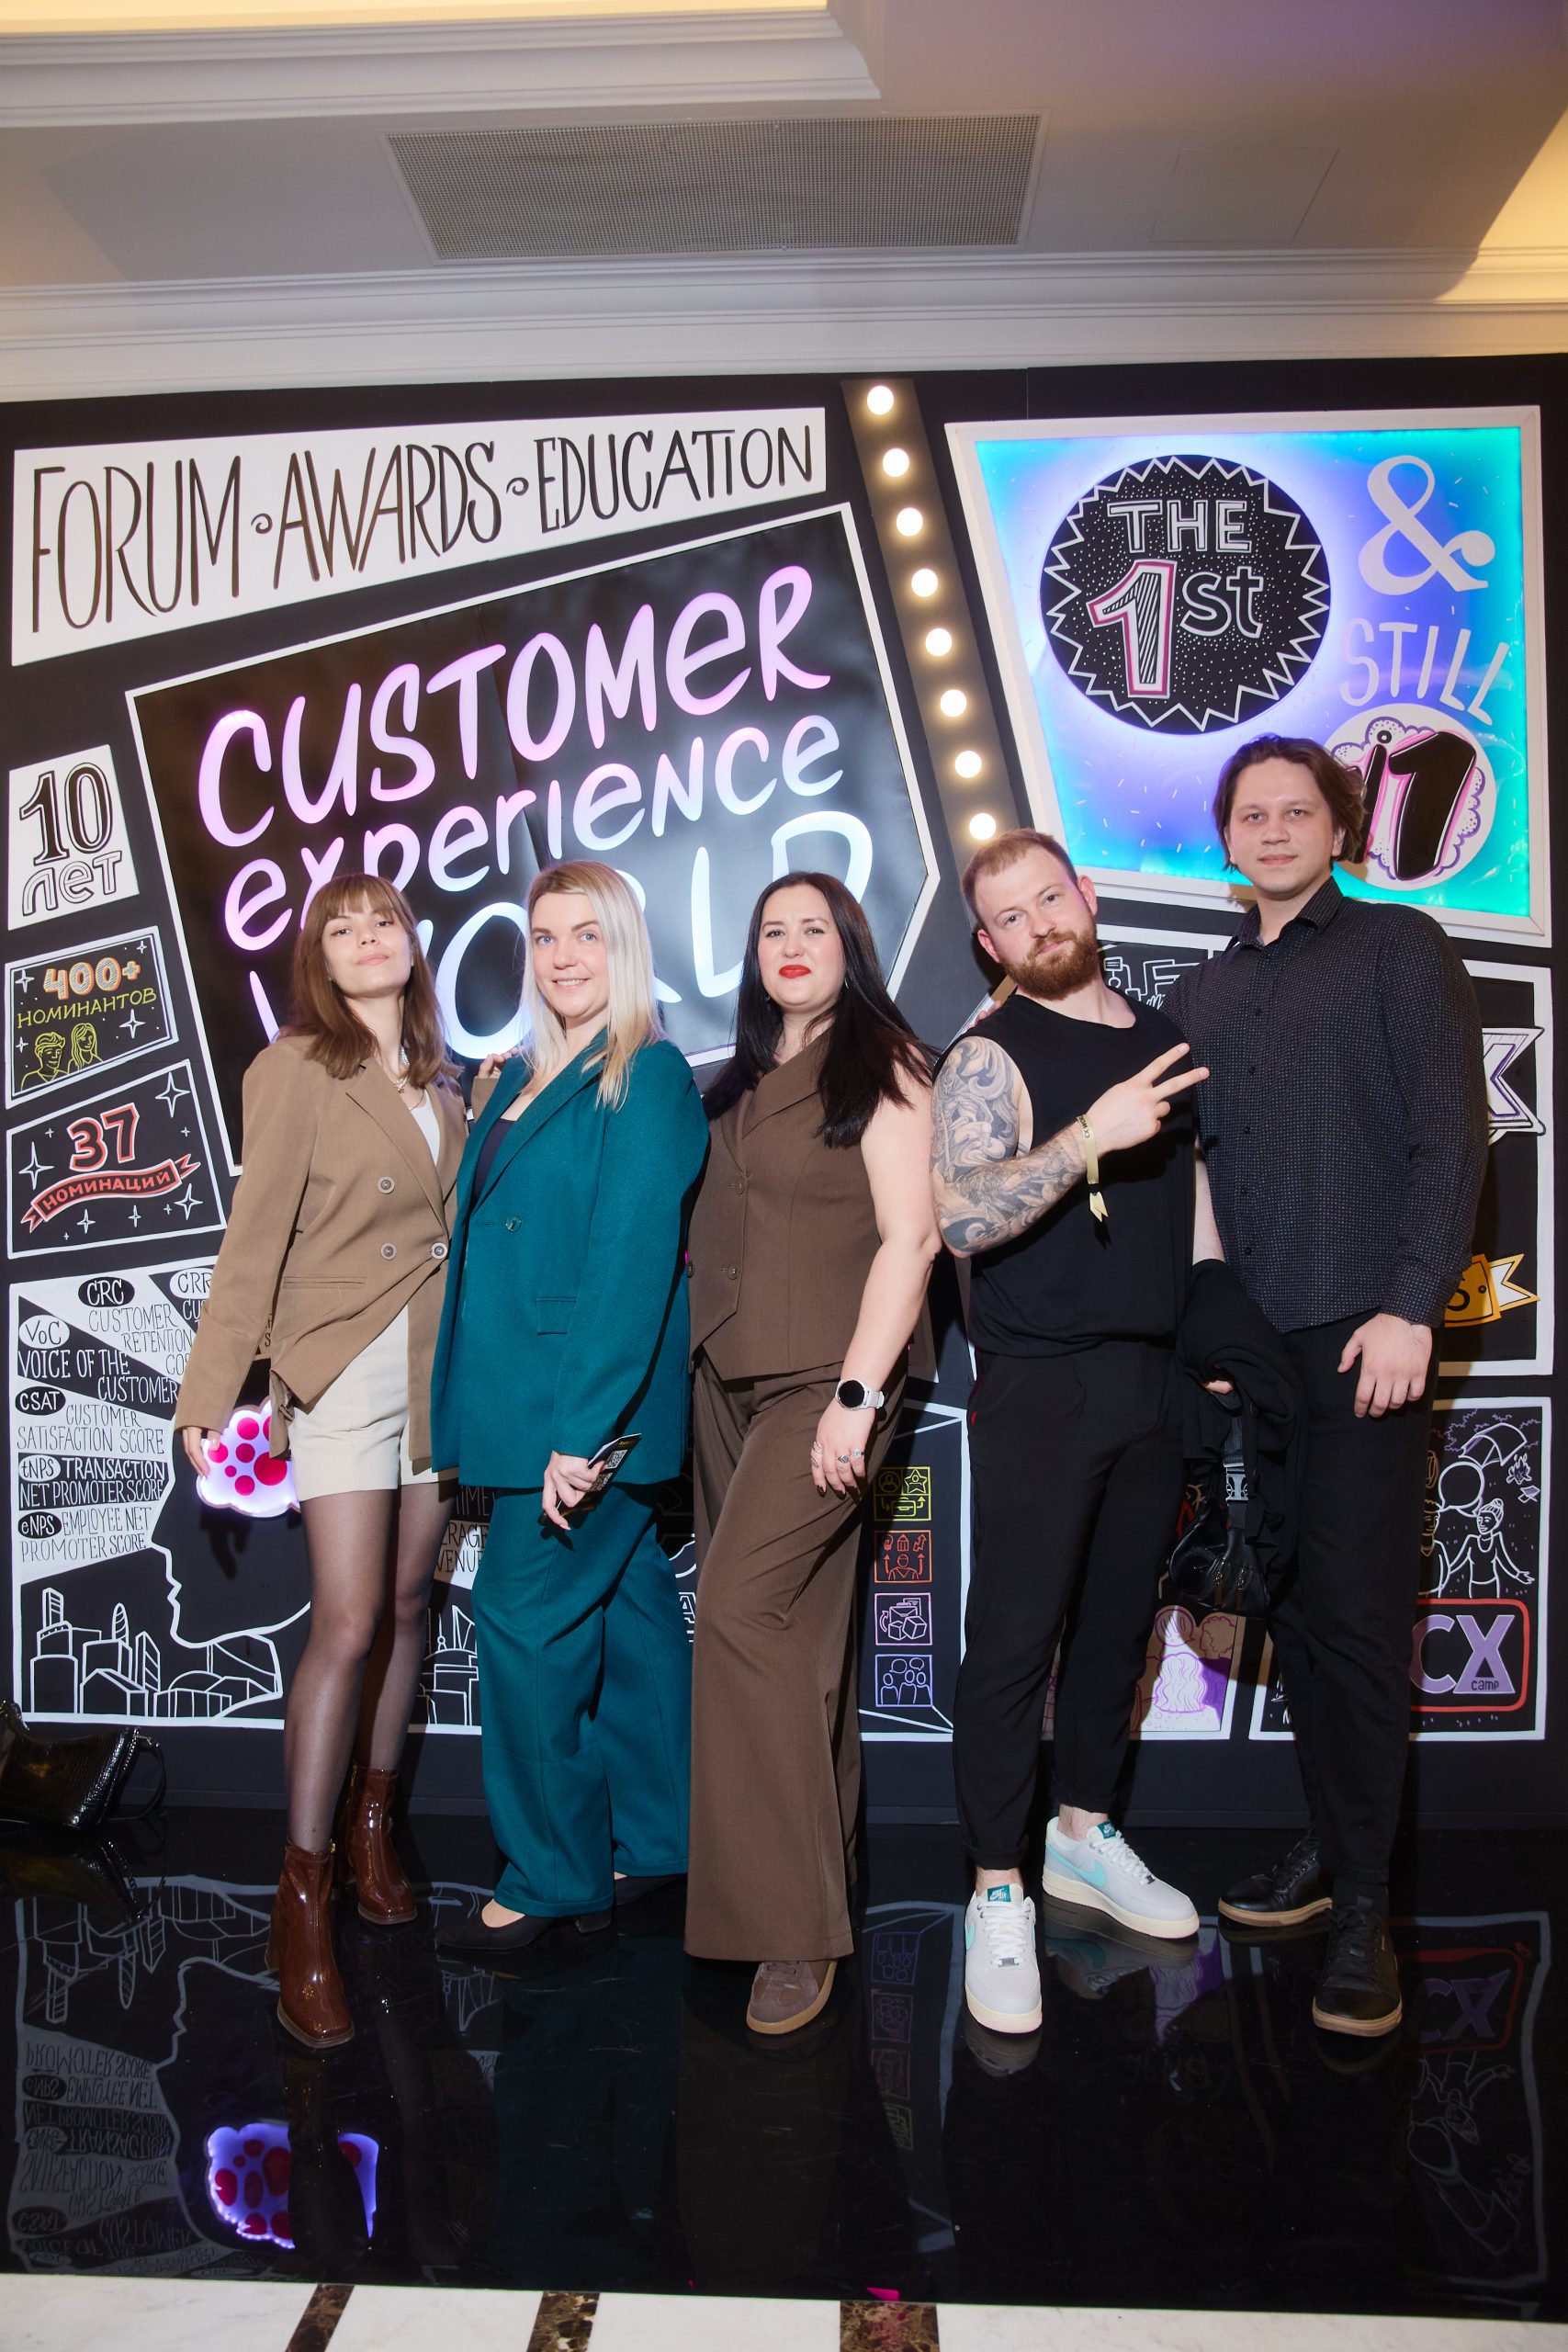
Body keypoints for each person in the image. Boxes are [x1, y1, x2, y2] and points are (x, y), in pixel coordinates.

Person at [1166, 735, 1486, 2037]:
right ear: (1226, 839)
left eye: (1296, 810)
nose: (1273, 829)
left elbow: (1449, 1134)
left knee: (1353, 1623)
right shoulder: (1198, 993)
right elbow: (1181, 1178)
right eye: (1250, 814)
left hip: (1362, 1332)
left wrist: (1411, 1305)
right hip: (1250, 1351)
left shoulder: (1398, 948)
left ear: (1338, 828)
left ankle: (1364, 1910)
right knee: (1289, 1610)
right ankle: (1328, 1848)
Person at [175, 876, 467, 2051]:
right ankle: (300, 1896)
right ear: (321, 960)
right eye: (340, 928)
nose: (365, 939)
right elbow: (254, 1237)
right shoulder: (294, 1066)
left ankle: (372, 1828)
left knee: (406, 1606)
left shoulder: (448, 1080)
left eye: (382, 921)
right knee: (345, 1622)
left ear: (412, 944)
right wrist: (210, 1391)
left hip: (438, 1370)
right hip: (340, 1365)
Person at [931, 829, 1213, 2040]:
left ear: (1086, 895)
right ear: (987, 942)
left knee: (1116, 1630)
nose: (1039, 922)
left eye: (1051, 896)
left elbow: (1193, 1204)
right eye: (1011, 914)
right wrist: (1087, 1137)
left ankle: (1082, 1833)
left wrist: (1211, 1335)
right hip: (1041, 1383)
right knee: (1013, 1640)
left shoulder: (1162, 1037)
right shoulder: (986, 1053)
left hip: (1155, 1374)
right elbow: (959, 1218)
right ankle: (996, 1885)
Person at [431, 861, 708, 1961]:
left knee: (523, 1620)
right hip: (516, 1403)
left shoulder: (649, 1074)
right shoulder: (518, 1076)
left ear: (624, 946)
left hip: (580, 1415)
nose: (562, 956)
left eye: (587, 934)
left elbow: (630, 1263)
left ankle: (551, 1874)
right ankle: (664, 1833)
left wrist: (582, 1433)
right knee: (631, 1616)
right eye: (545, 937)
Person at [684, 873, 939, 2035]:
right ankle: (824, 1873)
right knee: (797, 1639)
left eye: (814, 928)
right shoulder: (736, 1085)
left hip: (826, 1382)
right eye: (771, 929)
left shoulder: (885, 1061)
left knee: (739, 1613)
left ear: (851, 947)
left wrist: (857, 1394)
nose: (791, 944)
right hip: (725, 1382)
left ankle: (792, 1930)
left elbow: (912, 1237)